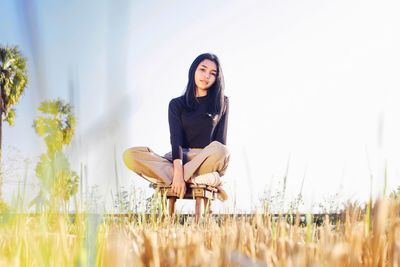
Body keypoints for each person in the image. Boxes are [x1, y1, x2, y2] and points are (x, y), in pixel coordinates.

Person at [123, 53, 230, 200]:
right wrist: (178, 172)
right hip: (179, 159)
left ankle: (170, 177)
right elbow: (176, 140)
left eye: (213, 73)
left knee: (222, 150)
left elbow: (220, 143)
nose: (206, 76)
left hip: (206, 159)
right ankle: (195, 178)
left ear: (217, 78)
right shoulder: (177, 104)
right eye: (202, 70)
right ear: (193, 70)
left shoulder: (222, 102)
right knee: (130, 155)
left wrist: (182, 173)